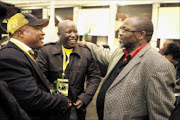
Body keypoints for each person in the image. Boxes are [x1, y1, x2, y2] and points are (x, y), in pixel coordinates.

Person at [78, 16, 176, 120]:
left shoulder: (158, 65)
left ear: (141, 35)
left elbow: (160, 115)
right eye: (121, 29)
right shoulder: (120, 53)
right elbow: (103, 54)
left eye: (125, 30)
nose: (120, 33)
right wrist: (87, 44)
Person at [0, 13, 72, 120]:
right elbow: (31, 98)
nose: (43, 33)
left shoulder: (22, 53)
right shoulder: (11, 57)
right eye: (38, 28)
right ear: (21, 33)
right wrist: (61, 100)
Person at [36, 20, 101, 120]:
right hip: (53, 105)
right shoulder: (46, 51)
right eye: (68, 32)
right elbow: (40, 76)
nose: (73, 35)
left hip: (76, 105)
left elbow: (95, 77)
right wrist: (57, 96)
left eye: (75, 32)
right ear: (59, 35)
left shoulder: (86, 53)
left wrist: (84, 97)